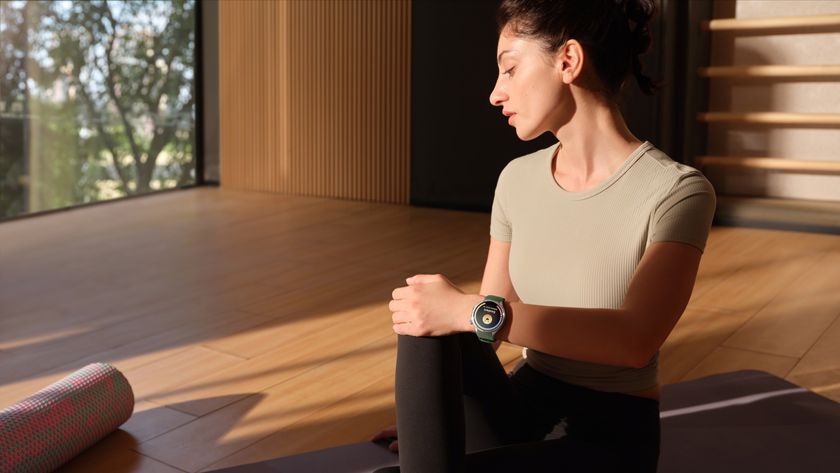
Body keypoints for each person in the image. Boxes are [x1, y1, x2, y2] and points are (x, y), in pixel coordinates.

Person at [372, 0, 716, 471]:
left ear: (568, 61)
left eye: (509, 70)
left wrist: (466, 309)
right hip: (523, 402)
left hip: (609, 435)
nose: (495, 93)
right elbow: (485, 326)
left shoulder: (676, 190)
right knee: (422, 310)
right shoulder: (518, 177)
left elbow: (634, 340)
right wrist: (433, 415)